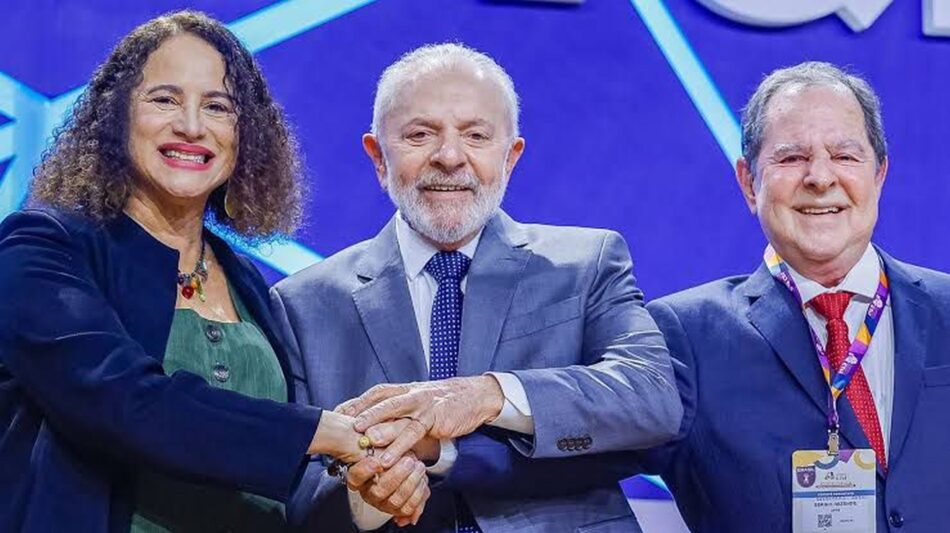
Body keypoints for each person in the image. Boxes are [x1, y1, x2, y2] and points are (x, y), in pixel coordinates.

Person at [0, 11, 426, 532]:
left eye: (217, 107)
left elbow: (285, 488)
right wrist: (333, 433)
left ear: (244, 136)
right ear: (114, 116)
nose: (192, 126)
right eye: (164, 99)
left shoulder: (248, 281)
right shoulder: (44, 244)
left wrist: (371, 489)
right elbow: (125, 402)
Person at [270, 43, 682, 533]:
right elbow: (290, 493)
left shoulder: (586, 263)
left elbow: (653, 397)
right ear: (378, 157)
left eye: (476, 136)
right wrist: (368, 496)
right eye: (420, 134)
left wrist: (489, 395)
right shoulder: (304, 304)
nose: (449, 157)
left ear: (510, 157)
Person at [640, 61, 950, 532]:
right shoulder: (683, 336)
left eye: (845, 156)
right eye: (790, 158)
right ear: (748, 182)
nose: (821, 177)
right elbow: (573, 473)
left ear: (879, 174)